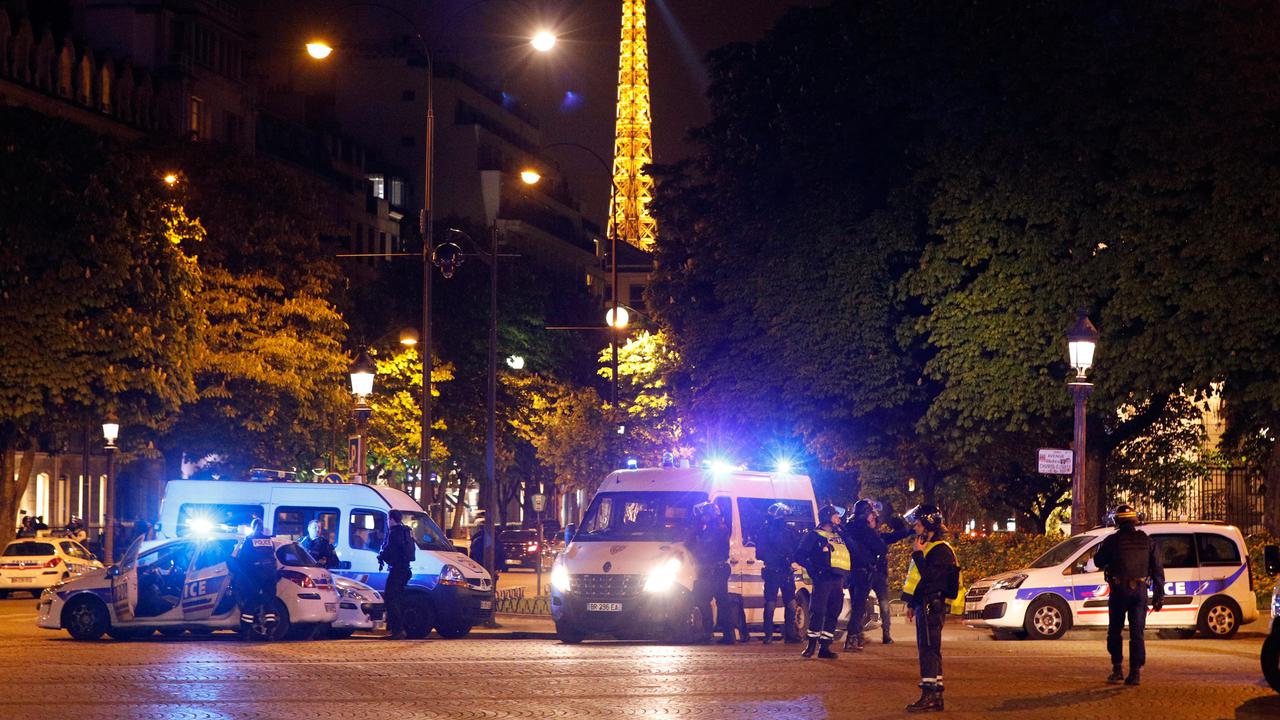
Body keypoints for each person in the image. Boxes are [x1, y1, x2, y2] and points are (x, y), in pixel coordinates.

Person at [1094, 504, 1164, 686]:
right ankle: (1135, 673)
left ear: (1117, 521)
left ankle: (1117, 669)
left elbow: (1098, 560)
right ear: (1134, 521)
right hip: (1140, 591)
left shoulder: (1112, 541)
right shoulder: (1147, 541)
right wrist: (1159, 595)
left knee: (1115, 631)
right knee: (1137, 634)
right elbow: (1158, 569)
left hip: (1119, 590)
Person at [901, 503, 960, 713]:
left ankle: (929, 696)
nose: (915, 528)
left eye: (917, 524)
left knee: (928, 650)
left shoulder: (940, 550)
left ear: (928, 526)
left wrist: (918, 555)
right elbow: (919, 581)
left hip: (931, 605)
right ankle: (936, 695)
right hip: (924, 603)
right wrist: (911, 602)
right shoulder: (930, 547)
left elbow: (931, 580)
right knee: (930, 649)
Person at [844, 498, 915, 650]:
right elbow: (881, 548)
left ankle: (856, 637)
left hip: (852, 572)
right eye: (870, 513)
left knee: (857, 606)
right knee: (859, 608)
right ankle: (852, 639)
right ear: (865, 514)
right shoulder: (866, 530)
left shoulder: (848, 527)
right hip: (865, 572)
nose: (873, 516)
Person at [795, 504, 851, 659]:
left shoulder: (839, 536)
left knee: (834, 612)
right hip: (823, 578)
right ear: (827, 517)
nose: (838, 518)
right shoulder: (813, 536)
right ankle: (811, 645)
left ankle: (825, 647)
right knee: (818, 611)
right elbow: (800, 555)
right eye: (835, 515)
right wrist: (814, 571)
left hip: (838, 580)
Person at [688, 501, 734, 644]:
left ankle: (709, 632)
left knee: (704, 599)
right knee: (721, 602)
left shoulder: (714, 531)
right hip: (716, 569)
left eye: (704, 516)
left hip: (713, 570)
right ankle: (727, 634)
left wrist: (697, 527)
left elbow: (696, 545)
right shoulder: (717, 529)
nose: (702, 518)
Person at [755, 502, 801, 644]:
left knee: (779, 603)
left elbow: (760, 553)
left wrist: (789, 560)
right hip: (777, 571)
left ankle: (775, 635)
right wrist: (785, 558)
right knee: (778, 604)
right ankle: (784, 635)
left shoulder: (768, 531)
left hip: (780, 571)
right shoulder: (775, 531)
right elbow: (761, 553)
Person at [230, 518, 280, 636]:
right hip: (271, 574)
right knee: (269, 600)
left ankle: (246, 630)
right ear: (262, 528)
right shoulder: (269, 540)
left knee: (251, 599)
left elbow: (242, 559)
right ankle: (270, 629)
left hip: (256, 574)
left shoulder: (249, 540)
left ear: (253, 528)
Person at [378, 509, 417, 640]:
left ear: (391, 519)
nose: (387, 522)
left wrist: (382, 556)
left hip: (397, 570)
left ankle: (396, 630)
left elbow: (391, 552)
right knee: (398, 599)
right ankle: (399, 629)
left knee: (391, 598)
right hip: (406, 569)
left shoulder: (394, 533)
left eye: (388, 519)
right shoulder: (406, 531)